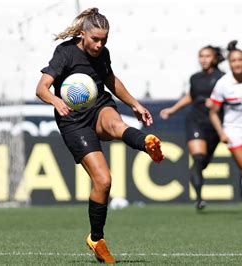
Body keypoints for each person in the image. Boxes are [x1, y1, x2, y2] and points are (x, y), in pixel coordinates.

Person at [35, 7, 164, 264]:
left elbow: (111, 81)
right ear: (83, 34)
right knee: (104, 181)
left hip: (98, 105)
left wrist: (135, 104)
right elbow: (41, 88)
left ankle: (146, 143)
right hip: (73, 120)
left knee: (116, 125)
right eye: (95, 39)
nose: (100, 44)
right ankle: (96, 239)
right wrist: (56, 101)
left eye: (104, 39)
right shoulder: (65, 53)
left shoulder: (102, 53)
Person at [160, 46, 225, 210]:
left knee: (203, 162)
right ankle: (199, 199)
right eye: (201, 56)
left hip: (214, 124)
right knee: (197, 157)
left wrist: (218, 103)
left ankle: (197, 178)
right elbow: (191, 96)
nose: (203, 59)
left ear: (215, 58)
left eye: (207, 56)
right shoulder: (195, 78)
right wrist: (173, 109)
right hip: (195, 120)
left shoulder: (224, 78)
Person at [209, 40, 242, 197]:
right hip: (233, 131)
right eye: (233, 61)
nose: (237, 64)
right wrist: (222, 133)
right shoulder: (223, 84)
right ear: (229, 63)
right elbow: (213, 112)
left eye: (240, 60)